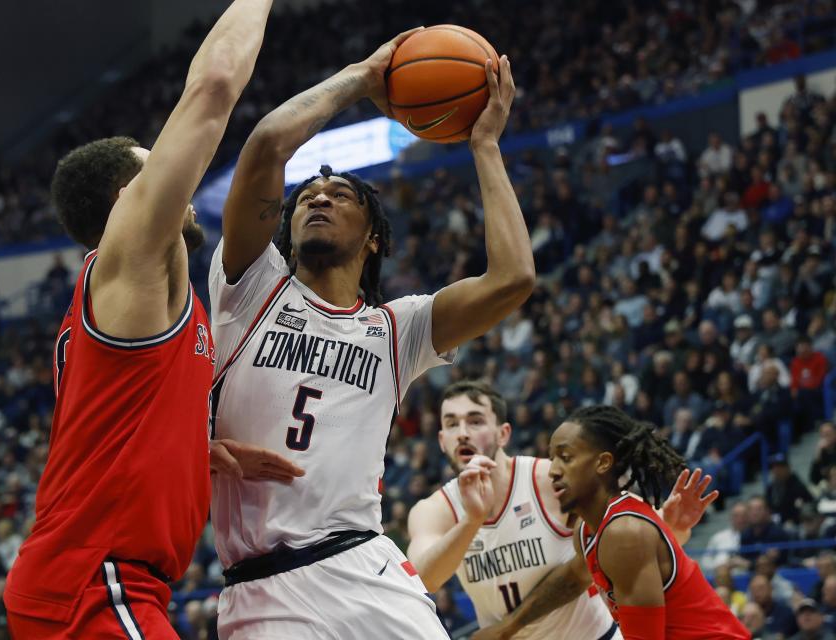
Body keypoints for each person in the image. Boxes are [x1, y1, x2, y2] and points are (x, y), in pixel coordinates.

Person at [208, 34, 534, 639]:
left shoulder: (396, 329)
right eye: (307, 197)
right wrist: (362, 76)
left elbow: (513, 279)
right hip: (261, 587)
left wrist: (484, 145)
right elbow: (266, 146)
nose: (319, 199)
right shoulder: (251, 286)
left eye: (339, 195)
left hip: (366, 567)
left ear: (375, 238)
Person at [2, 3, 304, 637]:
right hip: (95, 579)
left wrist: (192, 449)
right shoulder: (132, 258)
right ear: (127, 200)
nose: (182, 185)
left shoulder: (137, 297)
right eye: (154, 166)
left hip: (98, 580)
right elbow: (216, 85)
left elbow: (115, 421)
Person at [408, 381, 716, 639]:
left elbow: (634, 542)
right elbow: (424, 581)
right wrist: (473, 520)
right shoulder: (433, 510)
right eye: (451, 424)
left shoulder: (549, 479)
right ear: (442, 441)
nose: (462, 432)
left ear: (504, 434)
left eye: (475, 421)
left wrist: (674, 527)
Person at [546, 405, 750, 639]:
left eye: (565, 457)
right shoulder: (587, 531)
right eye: (551, 458)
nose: (552, 470)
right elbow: (570, 581)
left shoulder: (623, 532)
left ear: (603, 463)